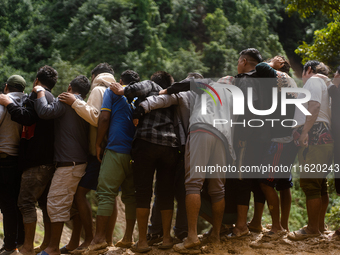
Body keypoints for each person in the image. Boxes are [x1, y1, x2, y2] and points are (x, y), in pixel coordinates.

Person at [110, 71, 179, 253]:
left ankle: (141, 241)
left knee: (143, 192)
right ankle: (166, 238)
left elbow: (135, 89)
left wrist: (121, 89)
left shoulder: (151, 85)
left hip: (146, 143)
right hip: (170, 146)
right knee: (165, 193)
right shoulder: (173, 95)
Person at [57, 63, 118, 253]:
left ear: (94, 76)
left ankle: (91, 238)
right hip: (116, 149)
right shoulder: (117, 90)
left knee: (80, 193)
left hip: (99, 151)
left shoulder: (98, 89)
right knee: (110, 195)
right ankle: (107, 240)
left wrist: (75, 103)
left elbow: (97, 118)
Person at [0, 66, 58, 255]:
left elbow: (26, 118)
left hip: (28, 161)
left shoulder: (33, 99)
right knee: (36, 204)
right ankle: (41, 245)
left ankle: (20, 246)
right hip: (37, 160)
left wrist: (7, 103)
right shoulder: (48, 99)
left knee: (20, 203)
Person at [34, 75, 91, 255]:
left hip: (69, 163)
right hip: (79, 161)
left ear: (69, 87)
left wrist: (39, 91)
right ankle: (73, 243)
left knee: (55, 203)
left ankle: (52, 249)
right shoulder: (83, 105)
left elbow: (44, 111)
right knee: (69, 203)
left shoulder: (66, 100)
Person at [86, 70, 140, 253]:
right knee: (130, 196)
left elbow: (104, 117)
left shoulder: (112, 91)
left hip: (116, 148)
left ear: (121, 81)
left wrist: (98, 142)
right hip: (136, 153)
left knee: (106, 193)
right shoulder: (139, 96)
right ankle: (128, 238)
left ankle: (99, 238)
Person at [145, 73, 203, 245]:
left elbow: (162, 101)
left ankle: (157, 232)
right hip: (200, 148)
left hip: (178, 146)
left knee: (163, 191)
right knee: (187, 191)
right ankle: (183, 232)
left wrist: (142, 106)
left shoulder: (181, 95)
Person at [248, 57, 298, 245]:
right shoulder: (290, 81)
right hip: (289, 139)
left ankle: (276, 227)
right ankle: (283, 225)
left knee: (266, 183)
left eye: (275, 59)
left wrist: (272, 64)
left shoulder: (279, 75)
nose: (270, 61)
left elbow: (259, 66)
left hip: (279, 140)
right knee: (284, 183)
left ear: (281, 65)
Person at [288, 61, 333, 240]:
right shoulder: (326, 85)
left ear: (308, 70)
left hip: (313, 137)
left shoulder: (313, 81)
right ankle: (319, 226)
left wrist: (304, 132)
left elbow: (313, 107)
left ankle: (312, 229)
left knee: (310, 184)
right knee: (320, 184)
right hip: (325, 139)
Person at [228, 48, 268, 238]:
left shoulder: (246, 81)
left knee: (242, 178)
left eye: (238, 62)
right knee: (256, 180)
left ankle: (241, 225)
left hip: (247, 137)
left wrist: (240, 135)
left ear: (244, 61)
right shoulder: (265, 80)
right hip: (264, 137)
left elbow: (246, 109)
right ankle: (256, 222)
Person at [0, 75, 26, 255]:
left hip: (2, 159)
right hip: (20, 160)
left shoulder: (3, 103)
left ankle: (10, 246)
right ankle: (17, 243)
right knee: (16, 204)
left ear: (7, 87)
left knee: (7, 205)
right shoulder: (27, 104)